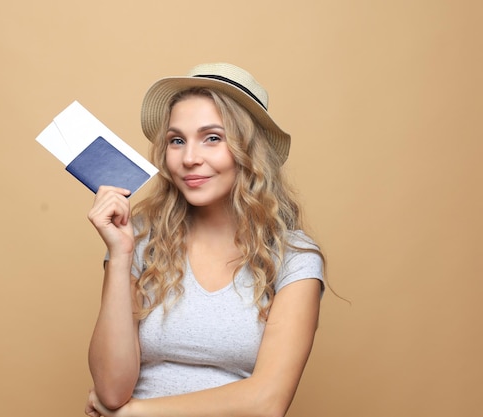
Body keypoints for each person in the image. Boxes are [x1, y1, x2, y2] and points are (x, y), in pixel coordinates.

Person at [85, 63, 325, 417]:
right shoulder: (137, 239)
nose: (190, 159)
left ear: (249, 151)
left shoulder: (294, 258)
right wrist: (120, 255)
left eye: (212, 138)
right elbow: (110, 387)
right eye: (177, 141)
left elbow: (266, 403)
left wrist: (135, 414)